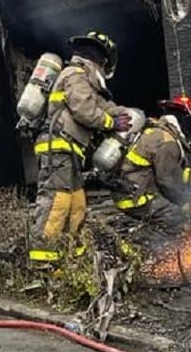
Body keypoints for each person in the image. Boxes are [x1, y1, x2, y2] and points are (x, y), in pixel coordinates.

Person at [29, 31, 133, 267]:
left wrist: (133, 116)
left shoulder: (86, 81)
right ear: (102, 60)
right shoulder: (75, 75)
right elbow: (84, 110)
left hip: (70, 150)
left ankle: (70, 258)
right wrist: (111, 123)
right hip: (58, 148)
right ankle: (44, 265)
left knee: (76, 204)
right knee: (57, 203)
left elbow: (104, 106)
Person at [111, 95, 191, 235]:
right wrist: (185, 203)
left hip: (130, 189)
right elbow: (167, 181)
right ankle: (144, 247)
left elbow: (166, 170)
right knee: (176, 218)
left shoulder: (158, 130)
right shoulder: (167, 142)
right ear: (187, 121)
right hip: (135, 198)